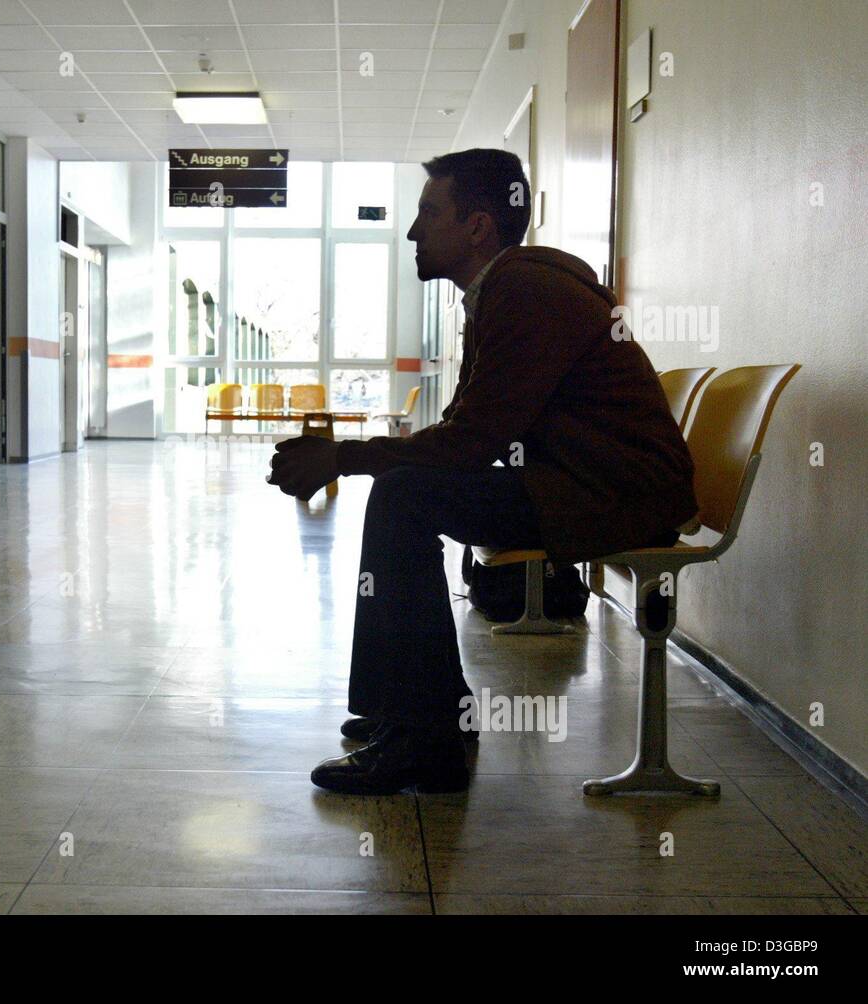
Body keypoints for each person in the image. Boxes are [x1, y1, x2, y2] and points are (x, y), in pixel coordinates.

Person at [266, 149, 696, 795]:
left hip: (615, 497)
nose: (413, 232)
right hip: (590, 485)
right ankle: (421, 713)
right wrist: (356, 457)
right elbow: (472, 426)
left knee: (405, 495)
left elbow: (472, 441)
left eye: (427, 213)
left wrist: (344, 457)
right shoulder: (504, 290)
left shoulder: (525, 289)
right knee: (407, 488)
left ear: (477, 226)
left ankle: (423, 738)